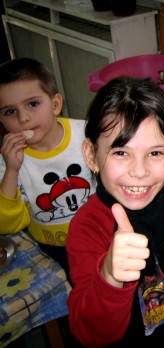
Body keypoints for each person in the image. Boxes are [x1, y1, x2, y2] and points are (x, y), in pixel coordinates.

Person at [66, 76, 164, 347]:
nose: (139, 172)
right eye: (120, 153)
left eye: (154, 154)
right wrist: (110, 276)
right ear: (91, 155)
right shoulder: (88, 227)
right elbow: (89, 334)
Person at [0, 57, 95, 278]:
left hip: (100, 236)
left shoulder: (88, 134)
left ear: (55, 104)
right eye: (9, 112)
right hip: (52, 249)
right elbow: (7, 225)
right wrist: (12, 170)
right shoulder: (8, 160)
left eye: (33, 104)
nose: (23, 118)